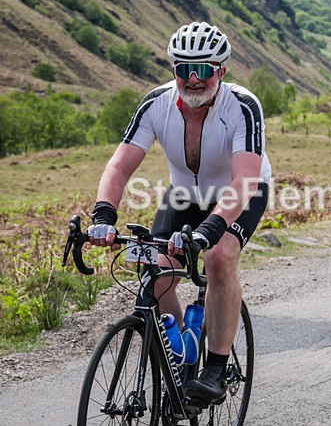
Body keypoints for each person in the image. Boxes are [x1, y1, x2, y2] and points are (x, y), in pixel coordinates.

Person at [87, 21, 271, 404]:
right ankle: (182, 351)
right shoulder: (155, 104)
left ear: (221, 71)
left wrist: (213, 227)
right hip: (185, 194)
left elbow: (243, 182)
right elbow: (119, 166)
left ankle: (216, 369)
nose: (192, 79)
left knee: (219, 256)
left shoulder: (243, 107)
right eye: (183, 69)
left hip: (241, 192)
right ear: (174, 71)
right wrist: (103, 215)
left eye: (202, 69)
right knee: (154, 264)